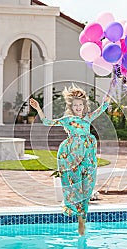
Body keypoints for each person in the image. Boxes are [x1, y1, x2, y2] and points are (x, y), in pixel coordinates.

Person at [29, 85, 111, 235]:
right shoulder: (67, 119)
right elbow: (47, 122)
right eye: (75, 105)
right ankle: (78, 219)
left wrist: (107, 99)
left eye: (80, 105)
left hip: (87, 155)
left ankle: (82, 221)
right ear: (71, 107)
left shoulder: (87, 117)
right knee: (75, 185)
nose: (78, 107)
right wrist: (39, 109)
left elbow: (102, 109)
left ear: (84, 106)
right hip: (72, 156)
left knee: (87, 186)